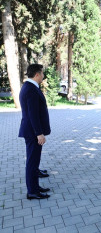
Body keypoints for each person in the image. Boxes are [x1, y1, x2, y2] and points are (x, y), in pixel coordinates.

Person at [19, 64, 51, 199]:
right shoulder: (31, 89)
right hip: (33, 133)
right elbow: (33, 114)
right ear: (37, 74)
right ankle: (32, 191)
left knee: (34, 162)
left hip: (31, 131)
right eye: (42, 73)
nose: (43, 76)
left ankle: (35, 187)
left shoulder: (29, 87)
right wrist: (39, 133)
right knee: (32, 163)